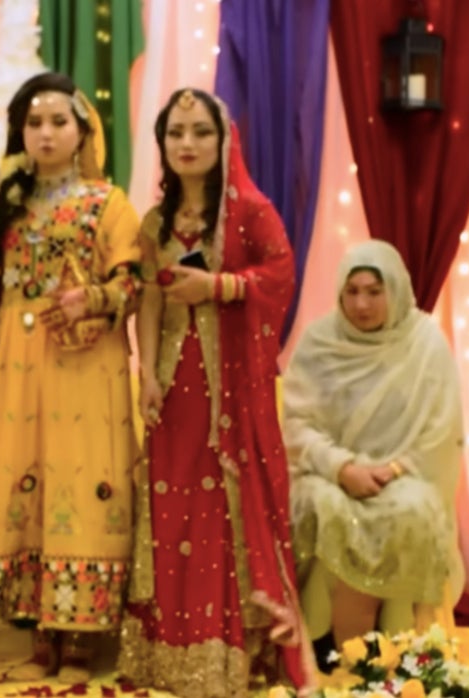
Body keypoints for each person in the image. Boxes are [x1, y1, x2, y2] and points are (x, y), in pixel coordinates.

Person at [118, 88, 314, 697]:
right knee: (170, 506)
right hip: (175, 391)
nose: (187, 144)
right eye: (175, 133)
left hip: (229, 394)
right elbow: (150, 297)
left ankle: (225, 652)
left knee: (218, 512)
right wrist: (147, 374)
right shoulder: (155, 222)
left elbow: (279, 276)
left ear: (223, 140)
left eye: (200, 132)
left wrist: (222, 286)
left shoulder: (252, 211)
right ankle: (166, 651)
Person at [0, 72, 143, 684]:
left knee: (84, 473)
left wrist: (91, 298)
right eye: (34, 122)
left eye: (58, 121)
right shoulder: (5, 204)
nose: (45, 132)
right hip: (16, 363)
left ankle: (83, 623)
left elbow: (134, 282)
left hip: (85, 366)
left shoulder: (108, 203)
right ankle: (38, 617)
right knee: (23, 474)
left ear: (83, 131)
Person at [281, 239, 464, 665]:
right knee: (316, 503)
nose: (362, 304)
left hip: (402, 475)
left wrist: (390, 470)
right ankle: (318, 634)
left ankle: (395, 641)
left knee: (413, 509)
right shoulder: (319, 342)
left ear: (395, 290)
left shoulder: (424, 344)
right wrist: (342, 468)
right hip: (329, 473)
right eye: (353, 291)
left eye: (374, 292)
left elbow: (441, 432)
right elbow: (297, 426)